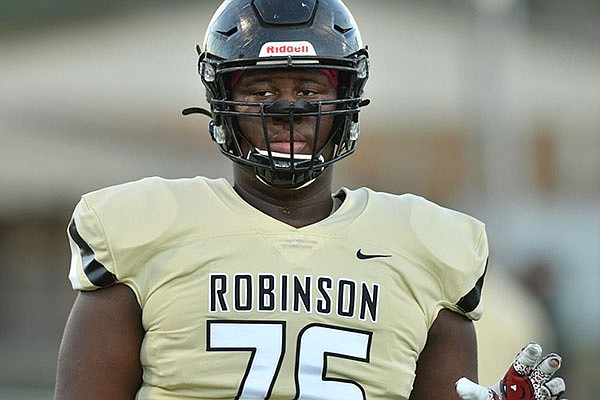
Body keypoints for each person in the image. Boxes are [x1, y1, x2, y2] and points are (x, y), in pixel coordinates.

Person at [54, 0, 567, 399]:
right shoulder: (146, 230)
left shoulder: (428, 248)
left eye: (309, 88)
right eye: (260, 90)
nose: (288, 108)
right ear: (222, 101)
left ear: (346, 98)